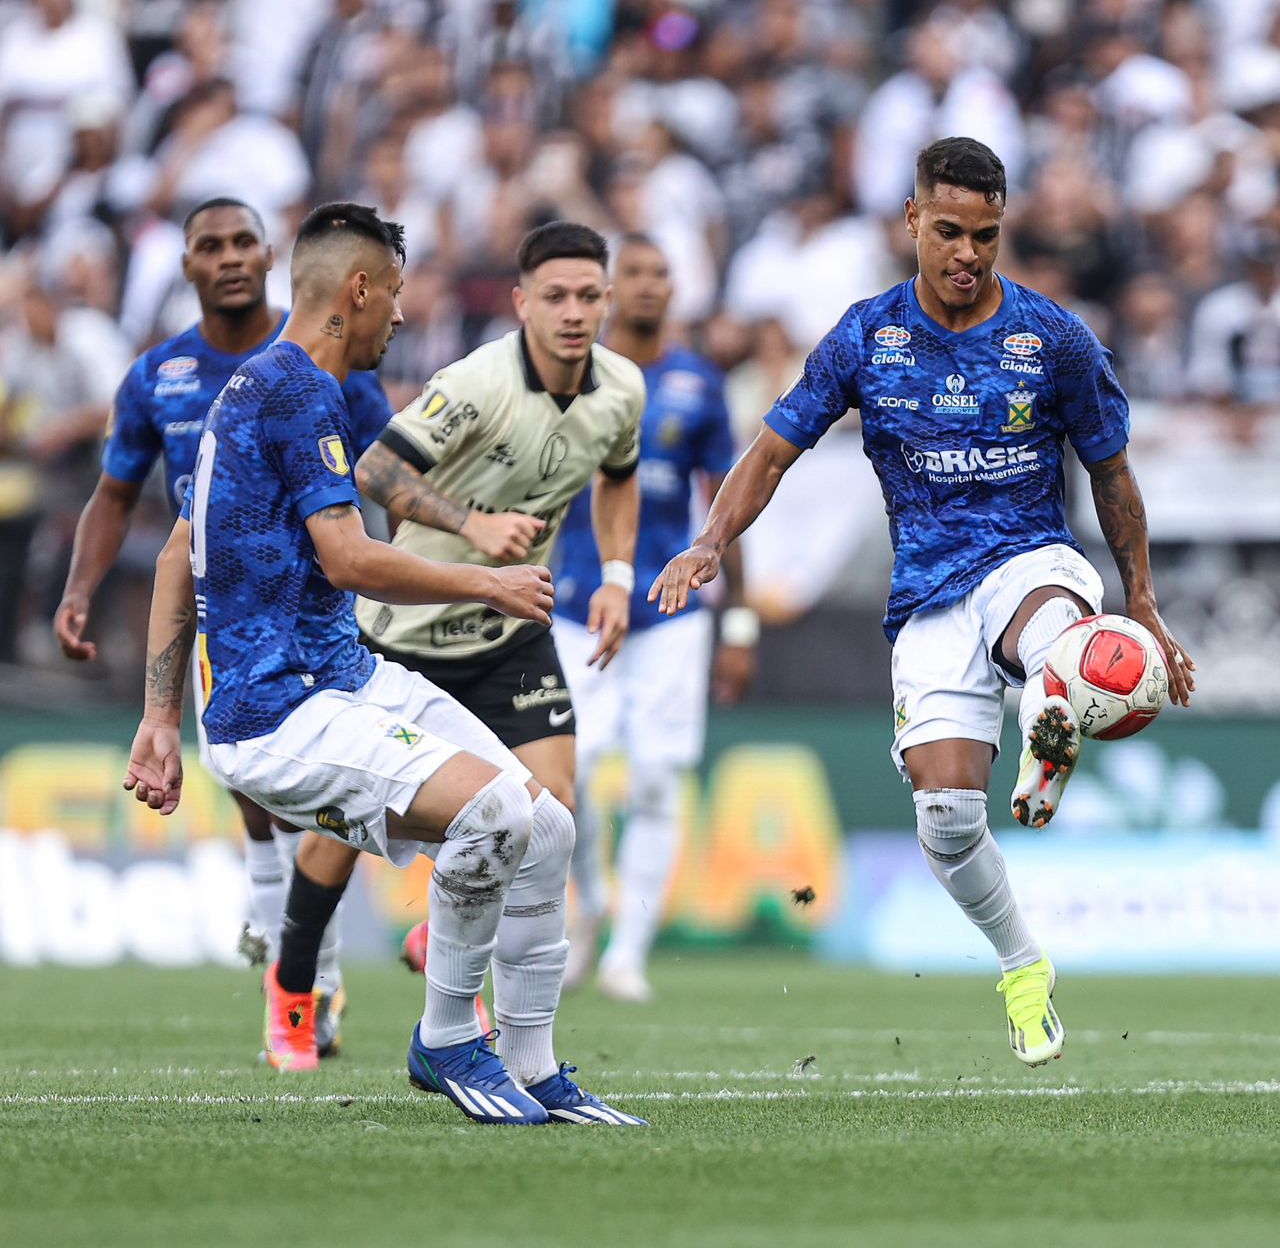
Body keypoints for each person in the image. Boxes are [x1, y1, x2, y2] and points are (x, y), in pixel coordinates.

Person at [651, 137, 1196, 1068]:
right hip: (927, 600)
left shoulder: (1054, 341)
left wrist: (1141, 598)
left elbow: (1112, 476)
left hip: (1031, 561)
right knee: (946, 821)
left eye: (985, 235)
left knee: (1064, 639)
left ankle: (1053, 701)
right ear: (912, 220)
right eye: (948, 231)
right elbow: (774, 449)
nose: (966, 254)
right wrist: (710, 542)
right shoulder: (867, 337)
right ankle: (1023, 966)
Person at [123, 201, 645, 1127]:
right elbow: (348, 560)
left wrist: (160, 719)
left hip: (344, 678)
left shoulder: (262, 390)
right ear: (357, 290)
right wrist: (486, 584)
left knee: (547, 825)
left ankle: (532, 1064)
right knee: (488, 816)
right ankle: (446, 1040)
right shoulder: (292, 392)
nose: (400, 315)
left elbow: (175, 554)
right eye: (394, 294)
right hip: (277, 714)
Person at [55, 197, 391, 1055]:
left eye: (245, 241)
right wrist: (80, 589)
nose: (231, 256)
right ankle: (295, 970)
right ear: (188, 268)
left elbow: (391, 470)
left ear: (272, 255)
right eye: (212, 245)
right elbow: (115, 495)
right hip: (225, 620)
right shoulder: (156, 376)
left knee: (339, 795)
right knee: (259, 793)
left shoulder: (331, 360)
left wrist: (456, 529)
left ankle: (296, 959)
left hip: (324, 618)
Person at [352, 220, 646, 982]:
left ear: (608, 300)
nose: (574, 312)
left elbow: (619, 476)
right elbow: (376, 472)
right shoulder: (477, 382)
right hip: (407, 627)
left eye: (588, 296)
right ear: (522, 303)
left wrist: (617, 577)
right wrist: (470, 523)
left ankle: (447, 949)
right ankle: (297, 976)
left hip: (510, 626)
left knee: (555, 810)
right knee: (350, 825)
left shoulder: (622, 388)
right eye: (556, 297)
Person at [552, 234, 754, 1002]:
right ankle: (593, 907)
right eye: (631, 274)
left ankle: (627, 952)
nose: (646, 286)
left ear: (674, 289)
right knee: (563, 780)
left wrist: (739, 625)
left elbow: (729, 510)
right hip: (575, 607)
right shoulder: (566, 376)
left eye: (659, 274)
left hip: (671, 613)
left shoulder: (698, 386)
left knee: (658, 782)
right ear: (605, 291)